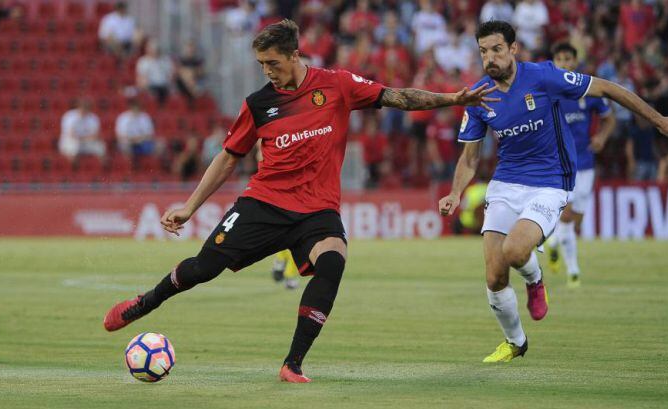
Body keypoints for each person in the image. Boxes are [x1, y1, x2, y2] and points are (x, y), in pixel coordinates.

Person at [103, 19, 497, 383]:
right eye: (261, 64)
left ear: (295, 55)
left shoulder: (338, 85)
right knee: (203, 269)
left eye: (272, 62)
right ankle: (144, 303)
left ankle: (292, 364)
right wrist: (190, 206)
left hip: (317, 210)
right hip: (264, 203)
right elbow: (228, 157)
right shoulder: (258, 104)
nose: (266, 71)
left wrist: (452, 98)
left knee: (333, 261)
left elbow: (397, 97)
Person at [438, 20, 668, 364]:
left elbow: (608, 89)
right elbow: (470, 158)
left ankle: (535, 279)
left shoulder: (543, 77)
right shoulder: (479, 96)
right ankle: (515, 342)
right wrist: (455, 192)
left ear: (514, 49)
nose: (490, 58)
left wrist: (659, 120)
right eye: (483, 51)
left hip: (550, 182)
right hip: (506, 183)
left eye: (497, 49)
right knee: (494, 275)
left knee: (514, 251)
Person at [545, 43, 615, 288]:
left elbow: (609, 117)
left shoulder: (588, 90)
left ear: (575, 61)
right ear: (554, 62)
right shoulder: (549, 92)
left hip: (586, 162)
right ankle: (573, 271)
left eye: (568, 59)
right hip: (560, 164)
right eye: (559, 59)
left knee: (576, 221)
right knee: (566, 216)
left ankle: (552, 243)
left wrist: (602, 138)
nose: (564, 63)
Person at [136, 40, 175, 106]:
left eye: (156, 49)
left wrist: (170, 82)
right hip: (151, 86)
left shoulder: (166, 60)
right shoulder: (143, 61)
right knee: (151, 92)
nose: (155, 52)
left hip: (164, 86)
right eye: (153, 49)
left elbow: (171, 75)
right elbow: (141, 77)